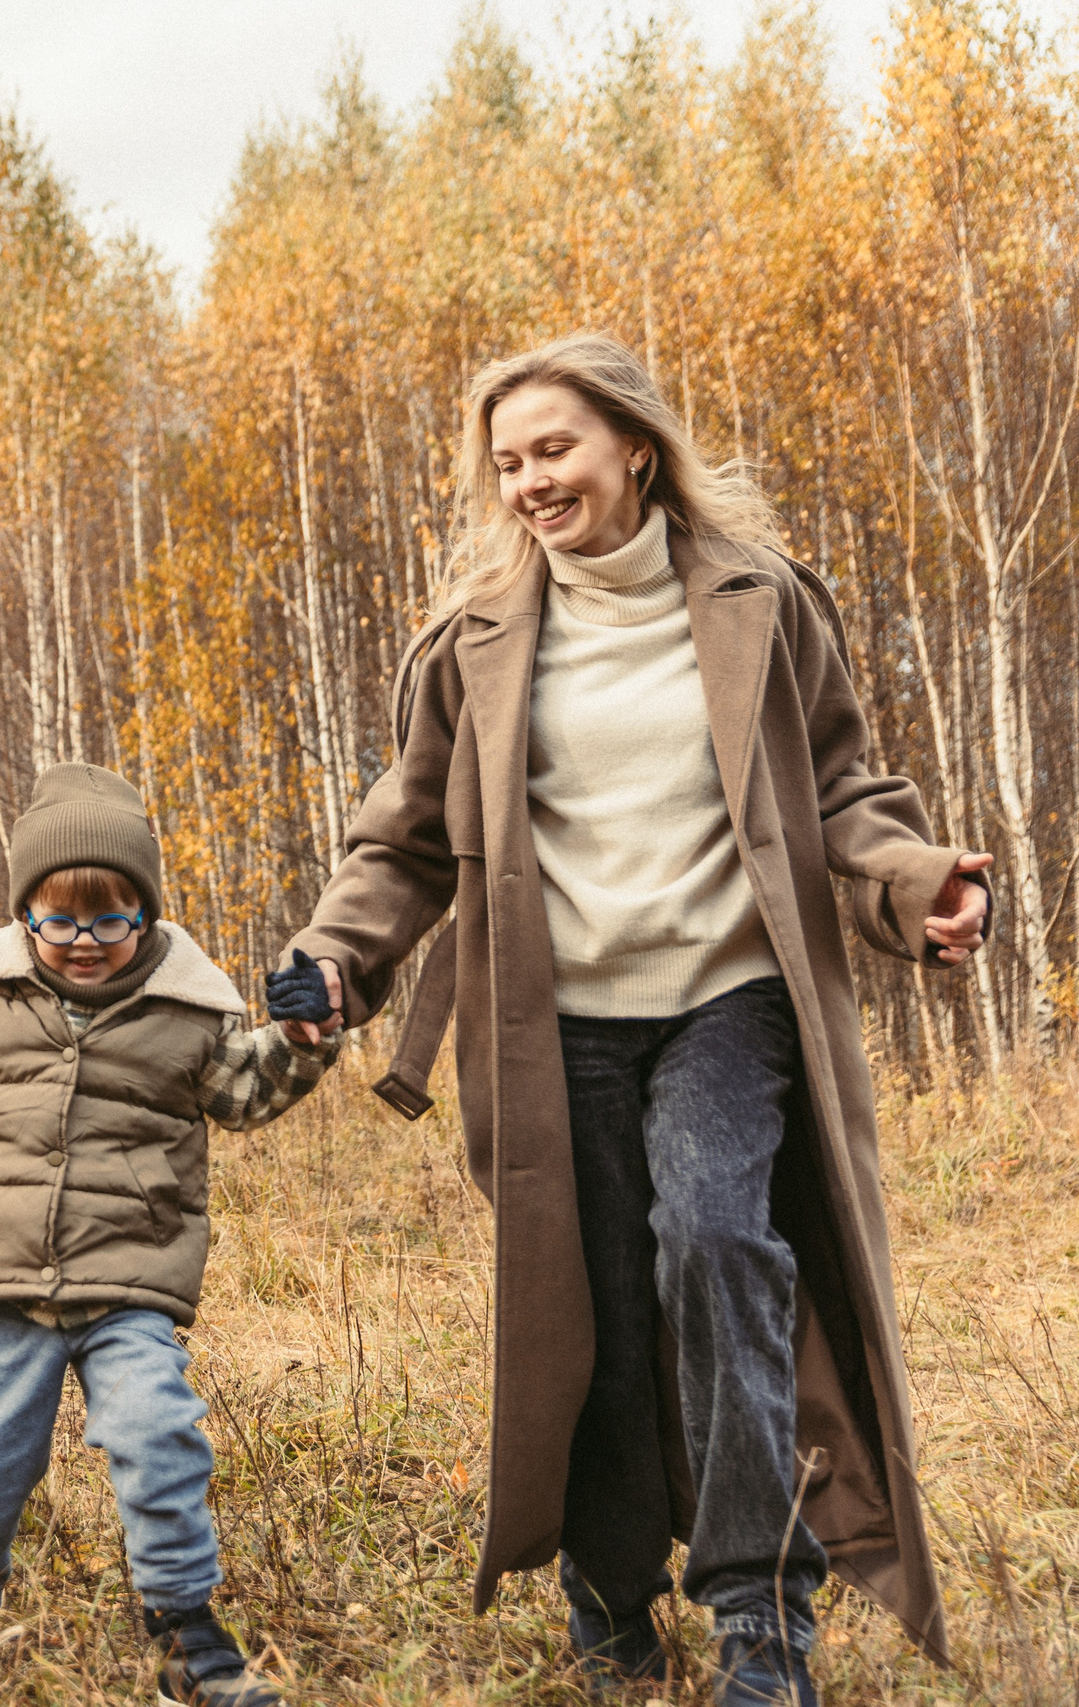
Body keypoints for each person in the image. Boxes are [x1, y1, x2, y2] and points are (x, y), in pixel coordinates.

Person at [282, 334, 990, 1704]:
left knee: (719, 1235)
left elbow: (843, 788)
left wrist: (916, 886)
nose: (532, 481)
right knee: (589, 1299)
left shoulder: (762, 601)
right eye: (509, 463)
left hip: (730, 994)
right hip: (560, 1021)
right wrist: (333, 960)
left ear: (634, 448)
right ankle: (612, 1597)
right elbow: (407, 840)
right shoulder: (473, 642)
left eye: (555, 448)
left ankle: (760, 1614)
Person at [0, 763, 339, 1705]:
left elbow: (246, 1091)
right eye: (59, 920)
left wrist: (302, 1043)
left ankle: (187, 1630)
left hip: (128, 1274)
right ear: (25, 915)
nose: (84, 942)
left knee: (161, 1433)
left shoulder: (190, 1011)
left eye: (110, 919)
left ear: (144, 914)